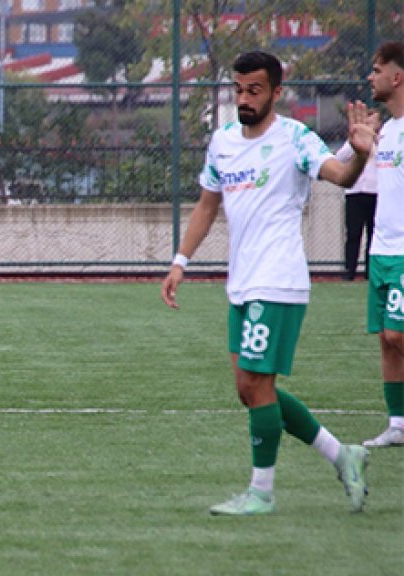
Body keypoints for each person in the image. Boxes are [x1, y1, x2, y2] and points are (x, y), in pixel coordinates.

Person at [160, 50, 375, 516]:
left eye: (254, 90)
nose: (244, 98)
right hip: (242, 282)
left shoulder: (295, 138)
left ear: (276, 92)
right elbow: (206, 205)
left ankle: (262, 492)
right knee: (249, 388)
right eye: (238, 89)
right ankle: (343, 454)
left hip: (277, 279)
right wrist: (180, 261)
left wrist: (358, 157)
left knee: (258, 385)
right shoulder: (222, 142)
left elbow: (338, 176)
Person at [363, 41, 404, 448]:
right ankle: (398, 424)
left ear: (398, 77)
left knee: (399, 335)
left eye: (377, 70)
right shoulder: (388, 130)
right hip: (382, 250)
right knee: (385, 340)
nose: (371, 77)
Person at [334, 137, 376, 280]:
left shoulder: (383, 141)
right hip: (355, 193)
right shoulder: (351, 142)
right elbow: (339, 158)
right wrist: (356, 144)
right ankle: (349, 270)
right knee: (353, 234)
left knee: (373, 235)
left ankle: (370, 272)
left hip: (375, 192)